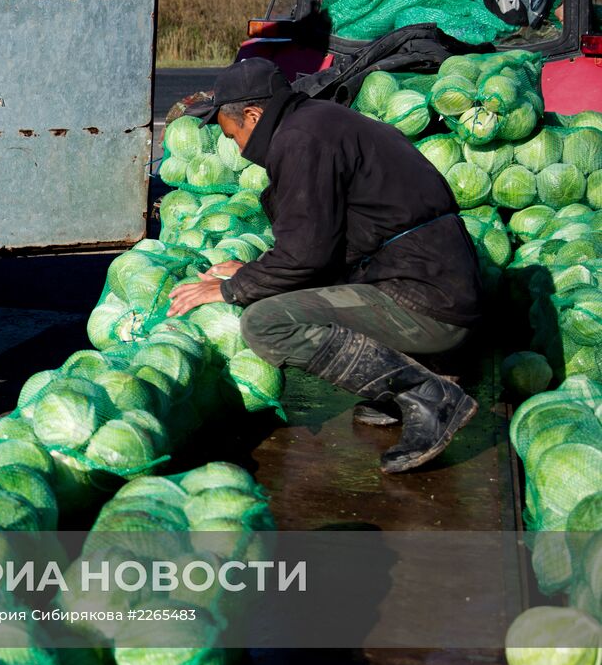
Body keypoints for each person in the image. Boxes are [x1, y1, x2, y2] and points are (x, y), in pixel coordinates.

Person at [168, 58, 483, 474]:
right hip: (436, 286)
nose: (240, 150)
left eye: (234, 135)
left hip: (428, 303)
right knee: (285, 292)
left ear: (253, 115)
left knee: (266, 323)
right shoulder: (318, 122)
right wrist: (253, 270)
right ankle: (423, 373)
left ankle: (428, 393)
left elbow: (306, 256)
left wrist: (231, 289)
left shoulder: (301, 139)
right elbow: (323, 245)